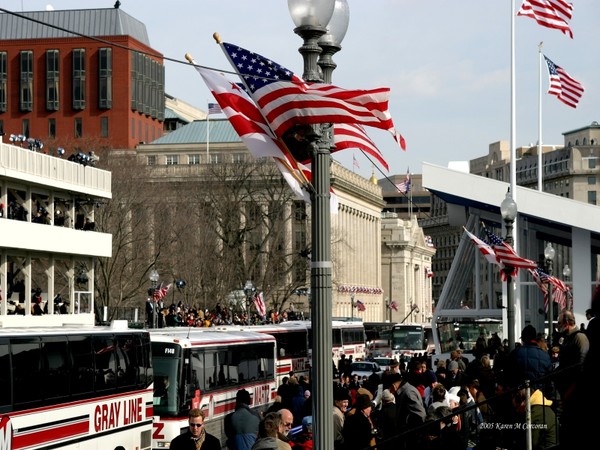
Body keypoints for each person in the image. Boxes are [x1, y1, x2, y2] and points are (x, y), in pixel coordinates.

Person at [506, 324, 552, 391]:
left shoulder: (515, 353)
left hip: (520, 396)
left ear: (523, 339)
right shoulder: (545, 356)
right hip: (539, 396)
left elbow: (508, 376)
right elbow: (549, 379)